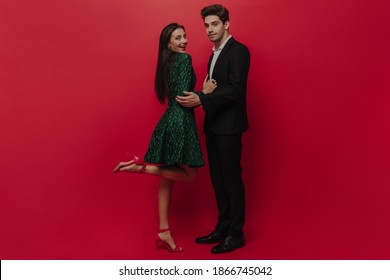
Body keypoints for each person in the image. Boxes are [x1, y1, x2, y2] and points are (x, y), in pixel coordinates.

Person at [112, 23, 216, 253]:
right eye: (178, 38)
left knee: (168, 180)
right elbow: (182, 96)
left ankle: (163, 231)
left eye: (185, 36)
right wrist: (204, 93)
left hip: (170, 119)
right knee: (189, 176)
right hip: (180, 122)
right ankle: (139, 168)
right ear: (168, 43)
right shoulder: (184, 59)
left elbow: (175, 93)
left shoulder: (166, 63)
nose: (184, 41)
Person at [176, 4, 250, 254]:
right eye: (206, 25)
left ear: (226, 24)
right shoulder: (213, 54)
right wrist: (202, 96)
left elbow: (236, 90)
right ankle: (223, 227)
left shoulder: (239, 51)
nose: (209, 29)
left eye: (214, 24)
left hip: (230, 128)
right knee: (218, 181)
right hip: (214, 125)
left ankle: (236, 234)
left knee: (231, 180)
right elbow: (213, 89)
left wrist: (202, 100)